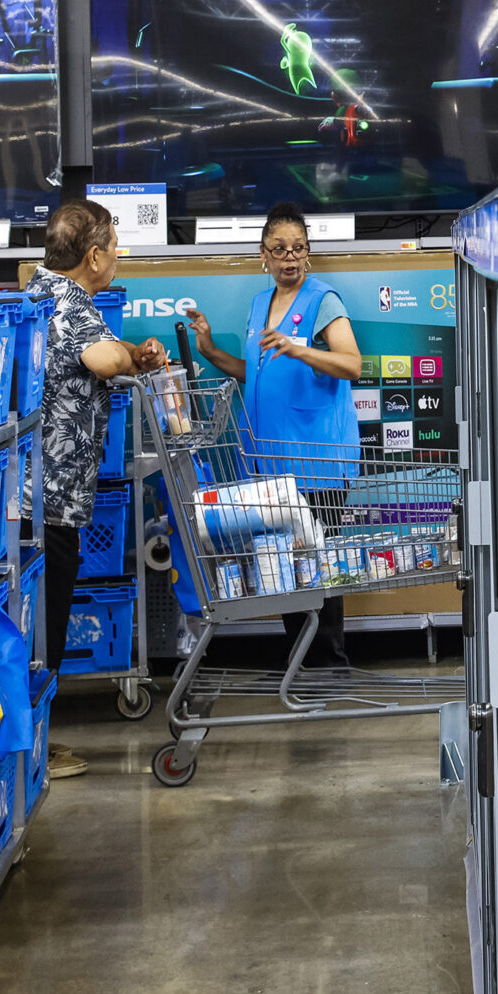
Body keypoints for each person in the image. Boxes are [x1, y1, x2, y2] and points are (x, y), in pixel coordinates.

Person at [186, 201, 363, 662]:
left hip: (317, 461)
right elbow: (256, 373)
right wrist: (207, 348)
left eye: (298, 248)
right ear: (262, 254)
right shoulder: (259, 304)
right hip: (269, 462)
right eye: (279, 249)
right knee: (283, 566)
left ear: (309, 253)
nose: (289, 257)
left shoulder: (324, 300)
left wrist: (300, 349)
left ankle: (329, 667)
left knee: (315, 569)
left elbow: (352, 364)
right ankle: (301, 664)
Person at [27, 199, 165, 779]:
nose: (116, 256)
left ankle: (32, 739)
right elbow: (104, 357)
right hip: (50, 502)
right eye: (113, 246)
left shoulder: (35, 289)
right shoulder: (71, 305)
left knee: (32, 623)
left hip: (28, 493)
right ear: (93, 257)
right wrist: (140, 355)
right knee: (46, 628)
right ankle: (32, 751)